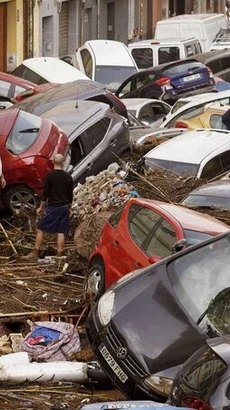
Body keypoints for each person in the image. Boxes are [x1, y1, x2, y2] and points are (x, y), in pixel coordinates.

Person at [22, 153, 74, 261]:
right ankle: (59, 255)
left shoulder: (49, 177)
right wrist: (69, 208)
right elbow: (70, 195)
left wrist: (40, 208)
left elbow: (45, 194)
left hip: (53, 208)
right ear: (63, 162)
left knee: (40, 228)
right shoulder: (68, 177)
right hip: (64, 207)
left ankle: (35, 253)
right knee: (61, 231)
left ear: (53, 162)